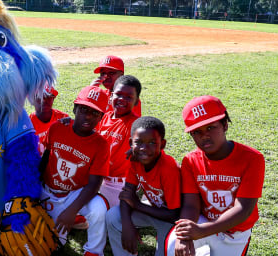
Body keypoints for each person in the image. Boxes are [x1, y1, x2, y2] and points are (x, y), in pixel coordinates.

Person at [166, 95, 265, 256]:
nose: (204, 135)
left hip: (235, 232)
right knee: (173, 245)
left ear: (225, 125)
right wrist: (184, 236)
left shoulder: (252, 158)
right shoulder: (190, 161)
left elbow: (244, 209)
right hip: (203, 221)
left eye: (211, 127)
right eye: (197, 131)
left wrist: (201, 231)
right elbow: (191, 205)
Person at [39, 85, 110, 256]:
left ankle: (93, 251)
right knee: (51, 245)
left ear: (101, 117)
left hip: (73, 194)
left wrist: (71, 211)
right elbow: (45, 159)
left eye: (95, 113)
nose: (88, 116)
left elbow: (94, 184)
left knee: (99, 207)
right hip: (48, 192)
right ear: (74, 108)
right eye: (84, 109)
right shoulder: (57, 128)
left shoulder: (101, 144)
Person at [106, 116, 181, 256]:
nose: (144, 148)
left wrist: (137, 205)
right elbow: (126, 195)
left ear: (162, 144)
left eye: (152, 143)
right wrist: (128, 226)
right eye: (138, 142)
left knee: (165, 251)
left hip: (171, 221)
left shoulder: (169, 168)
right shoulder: (136, 160)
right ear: (131, 143)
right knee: (113, 216)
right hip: (152, 210)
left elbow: (174, 214)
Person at [96, 75, 142, 207]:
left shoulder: (135, 124)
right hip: (100, 179)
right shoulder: (103, 118)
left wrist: (137, 149)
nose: (122, 99)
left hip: (120, 185)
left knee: (107, 217)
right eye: (118, 94)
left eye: (129, 97)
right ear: (111, 95)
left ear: (136, 101)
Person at [29, 85, 69, 155]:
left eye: (48, 96)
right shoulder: (28, 124)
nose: (44, 100)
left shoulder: (62, 118)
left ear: (53, 98)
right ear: (32, 100)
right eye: (39, 97)